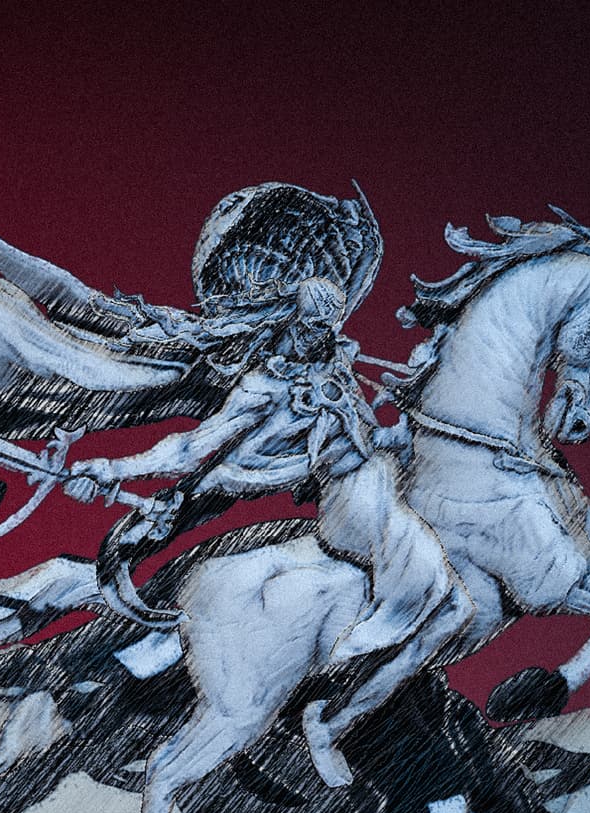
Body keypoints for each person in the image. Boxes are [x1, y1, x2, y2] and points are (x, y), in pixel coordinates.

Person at [66, 276, 473, 787]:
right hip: (346, 501)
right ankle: (330, 713)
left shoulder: (331, 365)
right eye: (310, 326)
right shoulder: (263, 384)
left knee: (455, 609)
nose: (316, 337)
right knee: (443, 601)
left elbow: (363, 436)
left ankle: (339, 707)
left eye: (325, 328)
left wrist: (405, 423)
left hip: (374, 483)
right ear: (291, 320)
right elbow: (191, 447)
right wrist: (114, 467)